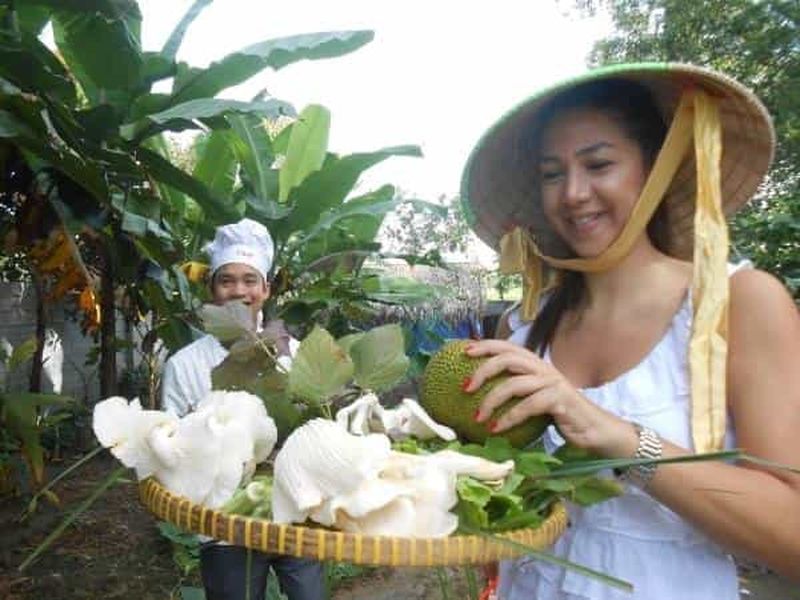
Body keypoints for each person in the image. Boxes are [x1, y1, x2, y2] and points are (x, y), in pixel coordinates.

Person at [458, 64, 800, 598]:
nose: (573, 193)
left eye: (598, 164)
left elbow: (792, 539)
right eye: (552, 174)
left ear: (656, 167)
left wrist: (620, 439)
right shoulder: (521, 328)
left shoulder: (740, 304)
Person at [161, 218, 326, 600]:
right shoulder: (183, 365)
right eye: (227, 280)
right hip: (223, 521)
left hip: (293, 510)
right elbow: (170, 451)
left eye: (250, 280)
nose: (239, 291)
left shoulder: (295, 355)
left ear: (266, 289)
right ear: (212, 288)